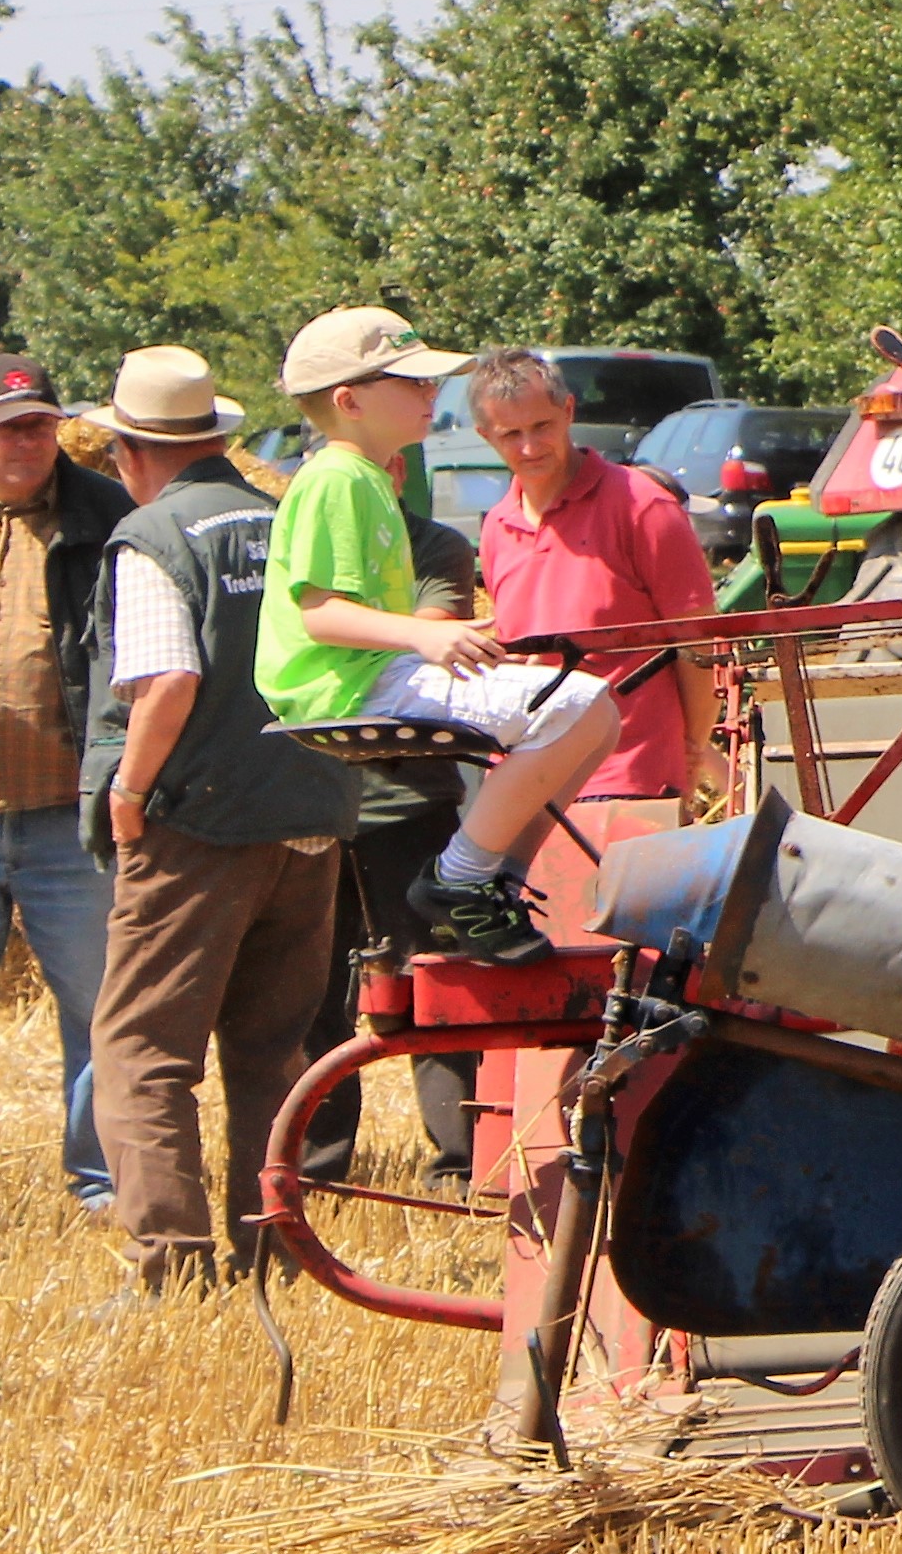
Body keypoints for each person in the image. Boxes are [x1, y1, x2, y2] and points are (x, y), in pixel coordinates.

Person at [78, 348, 360, 1285]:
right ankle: (273, 1249)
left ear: (127, 451)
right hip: (311, 815)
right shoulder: (283, 518)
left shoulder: (154, 534)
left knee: (141, 1051)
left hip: (198, 827)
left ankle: (170, 1262)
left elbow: (167, 683)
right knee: (271, 1051)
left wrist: (127, 794)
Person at [257, 309, 624, 963]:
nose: (432, 392)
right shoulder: (335, 479)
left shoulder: (367, 476)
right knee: (576, 704)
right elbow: (319, 614)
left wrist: (457, 646)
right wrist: (424, 639)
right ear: (349, 401)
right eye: (412, 382)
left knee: (597, 716)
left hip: (375, 675)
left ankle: (496, 877)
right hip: (347, 688)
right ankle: (458, 879)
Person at [0, 357, 126, 1226]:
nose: (27, 441)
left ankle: (99, 1189)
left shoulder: (109, 516)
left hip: (73, 812)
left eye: (40, 425)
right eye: (8, 426)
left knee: (101, 1014)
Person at [458, 354, 718, 814]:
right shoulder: (498, 526)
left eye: (541, 426)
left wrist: (692, 743)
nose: (530, 447)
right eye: (511, 435)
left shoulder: (641, 506)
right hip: (526, 781)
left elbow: (698, 643)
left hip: (628, 777)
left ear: (568, 411)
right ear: (484, 436)